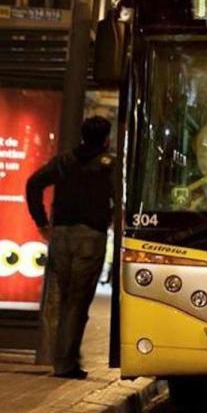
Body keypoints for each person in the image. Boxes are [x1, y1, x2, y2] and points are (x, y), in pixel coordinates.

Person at [25, 116, 115, 379]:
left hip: (61, 235)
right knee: (77, 300)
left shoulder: (64, 161)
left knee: (59, 296)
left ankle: (58, 357)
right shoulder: (108, 165)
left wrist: (41, 222)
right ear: (106, 139)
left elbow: (33, 184)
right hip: (91, 237)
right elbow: (119, 198)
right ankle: (66, 363)